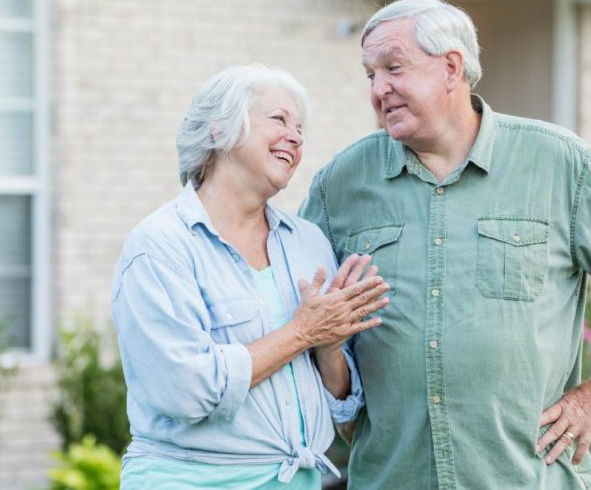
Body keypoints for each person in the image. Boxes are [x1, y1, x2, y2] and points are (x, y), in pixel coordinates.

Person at [300, 0, 591, 489]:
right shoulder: (340, 184)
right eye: (370, 75)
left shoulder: (558, 164)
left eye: (393, 68)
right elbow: (299, 313)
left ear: (451, 68)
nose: (379, 90)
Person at [111, 65, 389, 489]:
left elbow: (345, 410)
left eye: (300, 129)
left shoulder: (308, 243)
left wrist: (329, 348)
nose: (296, 137)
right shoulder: (160, 247)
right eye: (279, 119)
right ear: (218, 132)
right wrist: (303, 332)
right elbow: (185, 391)